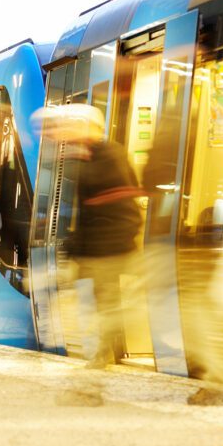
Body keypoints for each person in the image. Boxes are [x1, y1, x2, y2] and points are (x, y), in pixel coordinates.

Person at [42, 103, 144, 369]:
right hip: (97, 251)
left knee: (108, 307)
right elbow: (87, 211)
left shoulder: (109, 155)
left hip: (110, 249)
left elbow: (120, 204)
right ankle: (101, 355)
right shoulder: (87, 157)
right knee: (101, 306)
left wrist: (103, 245)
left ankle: (101, 357)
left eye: (70, 127)